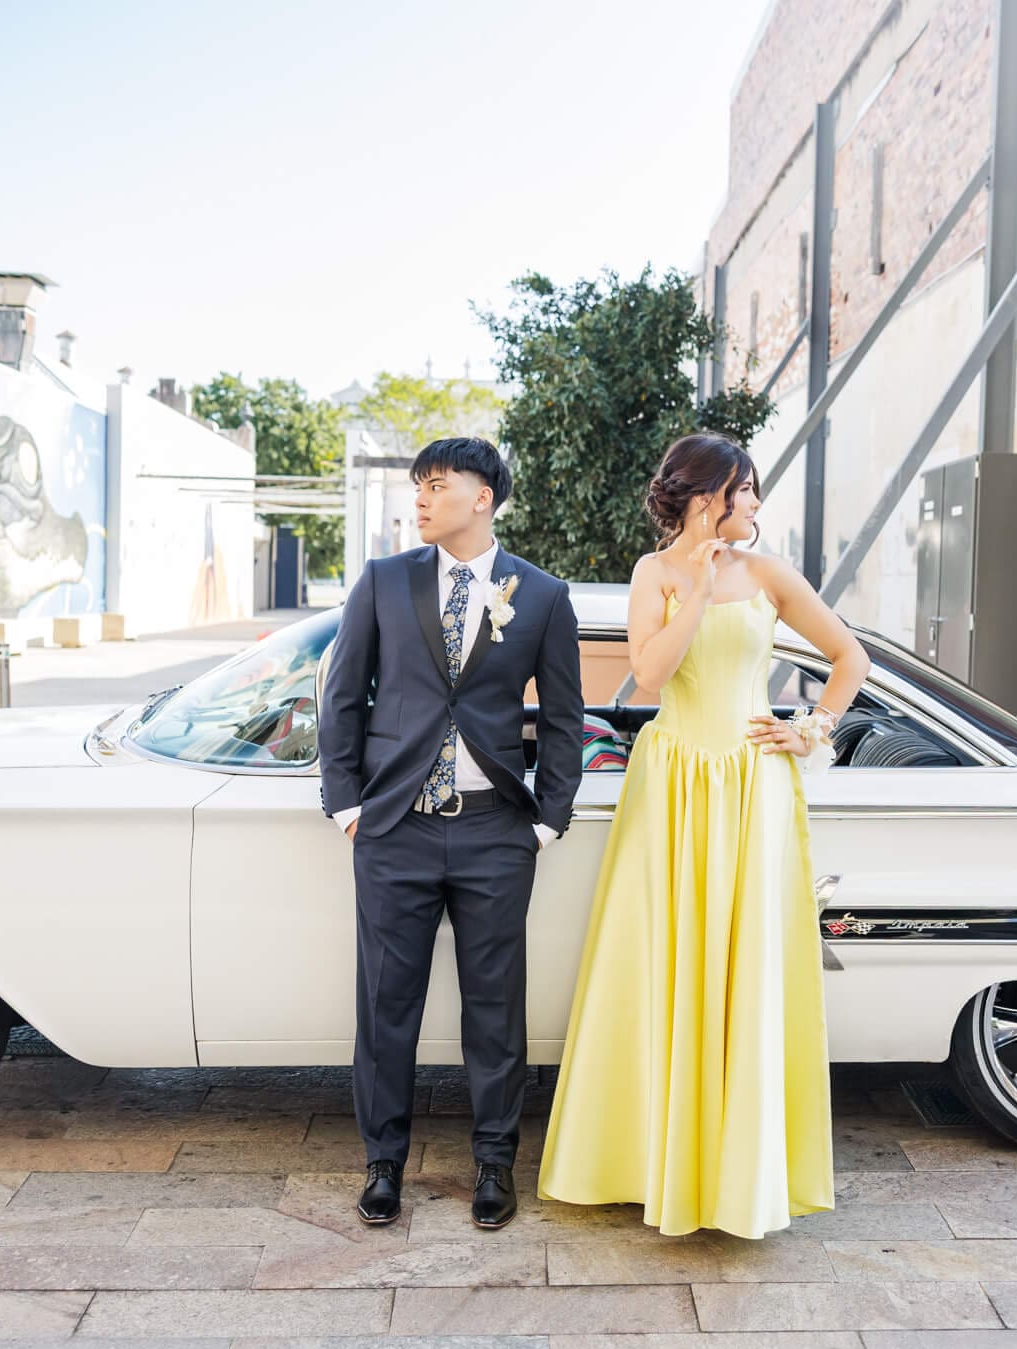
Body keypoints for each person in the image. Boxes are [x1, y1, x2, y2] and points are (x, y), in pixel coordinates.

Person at [538, 430, 870, 1238]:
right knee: (662, 958)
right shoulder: (654, 573)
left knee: (744, 960)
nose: (754, 505)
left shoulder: (769, 572)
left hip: (751, 782)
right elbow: (649, 676)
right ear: (706, 496)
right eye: (745, 490)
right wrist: (692, 582)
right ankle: (653, 1161)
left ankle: (738, 1174)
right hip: (676, 778)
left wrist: (813, 730)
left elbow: (848, 656)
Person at [319, 436, 583, 1230]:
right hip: (393, 827)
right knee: (384, 1004)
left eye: (437, 485)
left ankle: (495, 1164)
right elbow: (343, 696)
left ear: (483, 496)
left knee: (496, 1008)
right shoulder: (383, 581)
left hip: (495, 833)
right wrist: (346, 805)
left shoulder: (539, 595)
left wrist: (546, 822)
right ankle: (382, 1164)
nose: (421, 500)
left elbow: (566, 721)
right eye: (417, 487)